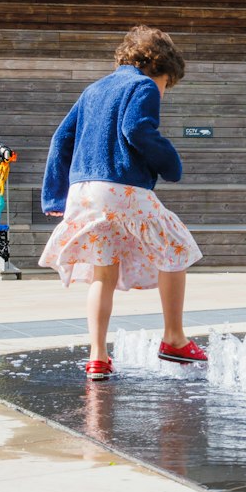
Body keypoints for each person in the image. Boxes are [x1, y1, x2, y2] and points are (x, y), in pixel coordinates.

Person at [39, 25, 206, 380]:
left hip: (82, 190)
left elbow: (61, 139)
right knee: (177, 246)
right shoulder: (142, 85)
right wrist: (171, 164)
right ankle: (174, 338)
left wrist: (54, 194)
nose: (164, 92)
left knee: (104, 269)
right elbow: (137, 129)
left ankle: (98, 357)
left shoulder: (93, 89)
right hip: (120, 185)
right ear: (157, 67)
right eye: (167, 84)